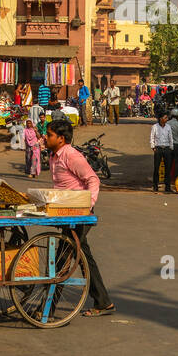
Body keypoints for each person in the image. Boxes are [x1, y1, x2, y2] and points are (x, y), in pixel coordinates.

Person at [43, 118, 113, 317]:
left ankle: (47, 309)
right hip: (66, 211)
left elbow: (93, 179)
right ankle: (104, 301)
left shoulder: (71, 155)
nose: (46, 138)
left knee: (62, 259)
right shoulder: (55, 156)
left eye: (49, 135)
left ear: (61, 138)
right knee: (84, 257)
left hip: (79, 212)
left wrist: (87, 206)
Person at [150, 112, 175, 194]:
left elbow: (170, 137)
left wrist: (171, 147)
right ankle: (155, 186)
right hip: (158, 148)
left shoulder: (168, 127)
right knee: (156, 168)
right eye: (165, 118)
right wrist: (153, 147)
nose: (166, 119)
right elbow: (152, 137)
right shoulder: (155, 127)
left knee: (168, 168)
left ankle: (167, 186)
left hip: (167, 148)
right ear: (160, 119)